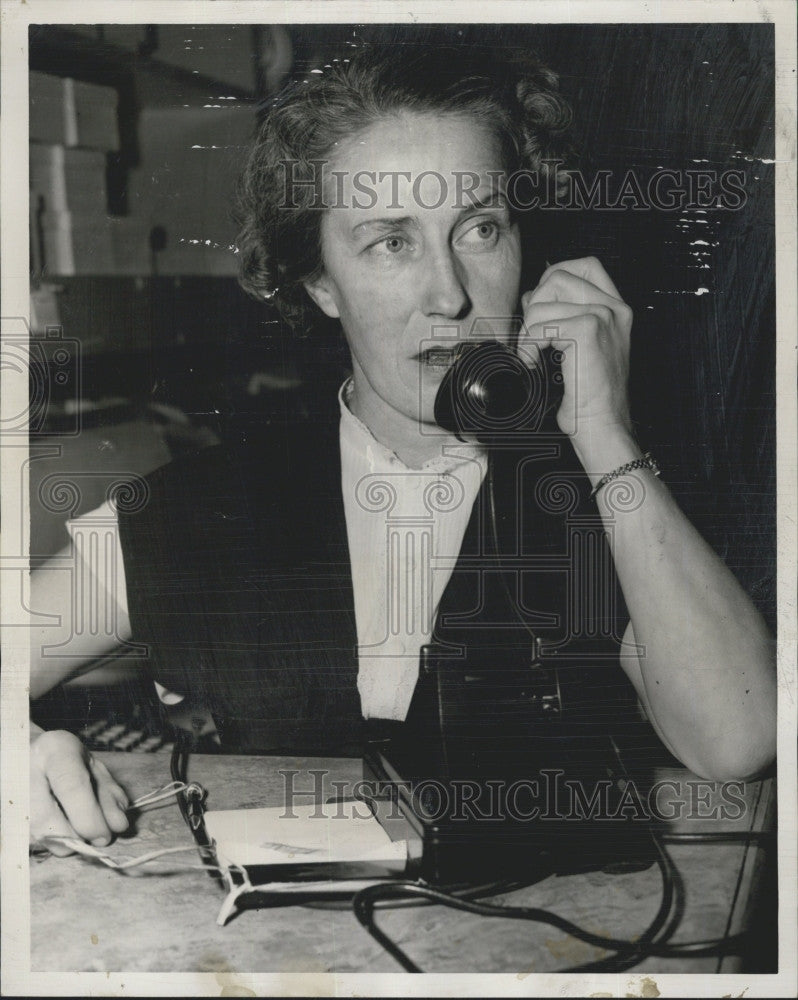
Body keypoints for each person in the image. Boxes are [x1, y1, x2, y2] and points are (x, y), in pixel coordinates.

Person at [29, 42, 776, 855]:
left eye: (480, 229)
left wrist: (605, 437)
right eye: (392, 242)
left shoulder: (595, 496)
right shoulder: (202, 504)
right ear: (319, 281)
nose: (450, 294)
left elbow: (738, 741)